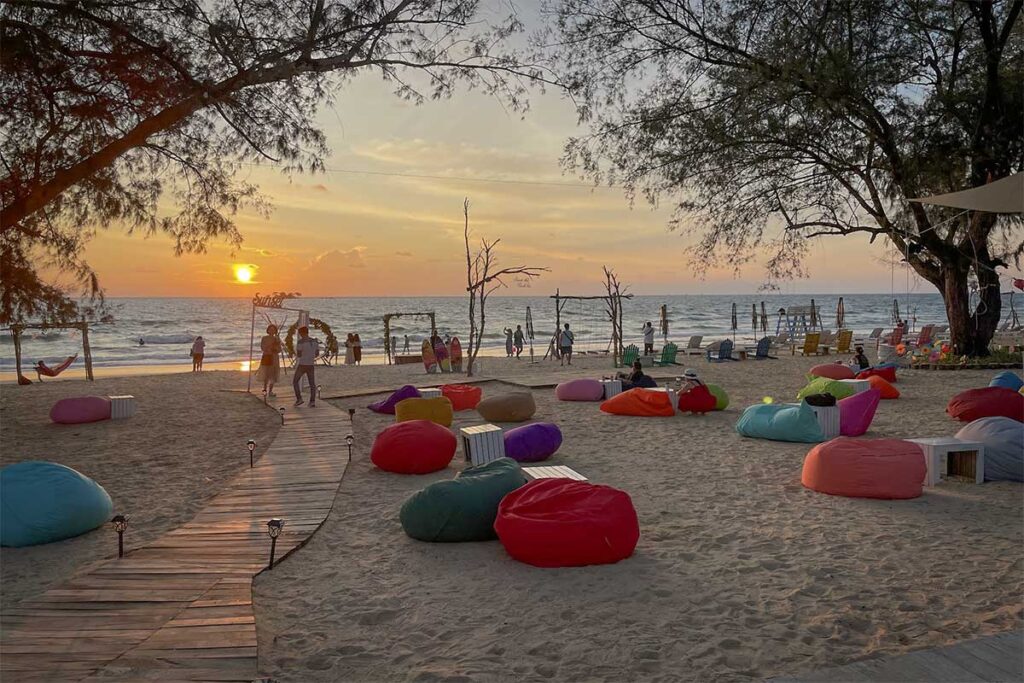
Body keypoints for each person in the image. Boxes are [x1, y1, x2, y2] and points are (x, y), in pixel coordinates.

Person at [293, 326, 319, 407]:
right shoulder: (314, 341)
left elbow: (299, 354)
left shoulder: (301, 342)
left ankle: (299, 399)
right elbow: (317, 354)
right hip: (311, 364)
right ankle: (312, 401)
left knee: (295, 381)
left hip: (302, 364)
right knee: (312, 384)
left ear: (301, 333)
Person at [256, 325, 282, 396]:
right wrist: (269, 349)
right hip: (266, 357)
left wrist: (275, 348)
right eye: (270, 329)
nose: (272, 331)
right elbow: (262, 347)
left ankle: (270, 391)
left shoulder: (277, 339)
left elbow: (279, 349)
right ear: (268, 330)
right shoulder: (264, 338)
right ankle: (264, 390)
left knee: (273, 375)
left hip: (274, 358)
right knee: (266, 374)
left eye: (273, 329)